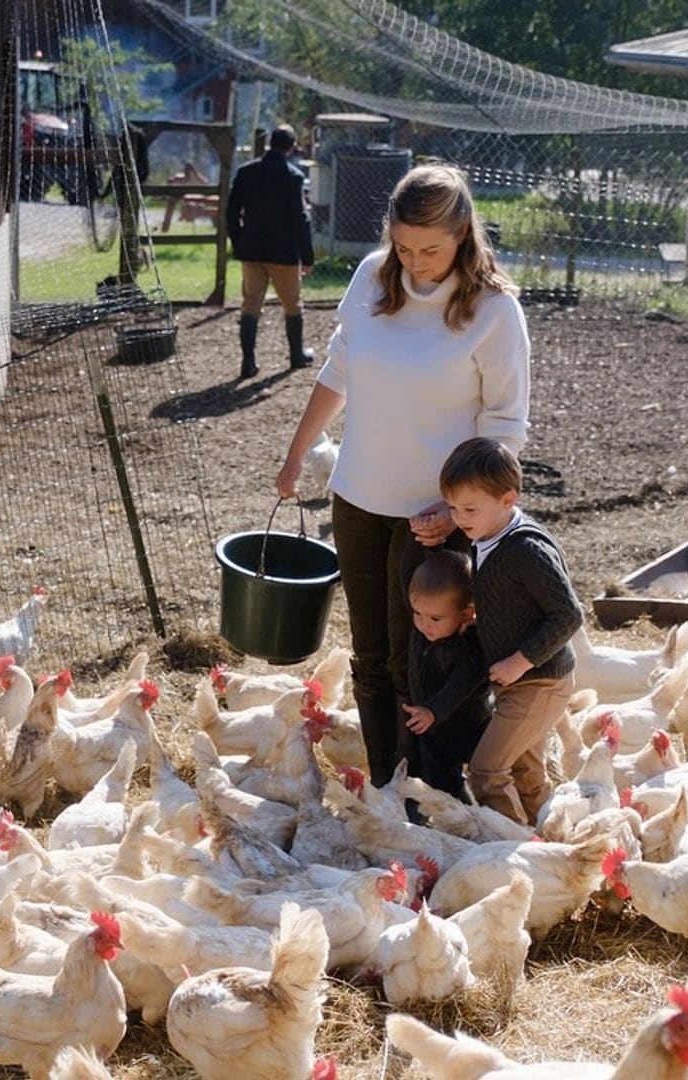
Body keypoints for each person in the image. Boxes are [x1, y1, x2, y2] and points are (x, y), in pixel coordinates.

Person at [276, 163, 530, 787]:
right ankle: (387, 790)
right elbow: (338, 372)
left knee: (421, 659)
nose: (417, 262)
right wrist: (295, 453)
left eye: (432, 249)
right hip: (360, 494)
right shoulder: (370, 276)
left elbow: (505, 425)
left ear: (464, 232)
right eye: (405, 246)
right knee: (369, 657)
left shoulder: (495, 311)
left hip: (436, 515)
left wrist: (460, 510)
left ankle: (432, 789)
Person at [439, 436, 583, 825]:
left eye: (469, 508)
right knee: (525, 772)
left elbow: (569, 615)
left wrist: (520, 661)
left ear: (509, 499)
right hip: (521, 681)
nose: (459, 518)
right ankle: (554, 843)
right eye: (452, 507)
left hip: (539, 681)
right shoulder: (486, 535)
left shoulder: (526, 550)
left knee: (486, 770)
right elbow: (511, 599)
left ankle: (512, 847)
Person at [226, 124, 315, 379]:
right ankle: (296, 355)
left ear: (269, 144)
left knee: (251, 304)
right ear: (291, 147)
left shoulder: (246, 172)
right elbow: (301, 218)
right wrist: (307, 256)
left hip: (252, 250)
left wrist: (239, 241)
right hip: (284, 253)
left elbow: (232, 213)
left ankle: (248, 361)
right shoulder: (293, 176)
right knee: (292, 305)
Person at [403, 550, 491, 803]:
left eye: (435, 618)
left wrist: (433, 710)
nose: (423, 624)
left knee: (481, 773)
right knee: (440, 780)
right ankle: (452, 813)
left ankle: (475, 815)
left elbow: (459, 687)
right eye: (417, 613)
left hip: (466, 725)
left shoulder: (468, 650)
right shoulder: (427, 633)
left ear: (467, 614)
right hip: (434, 726)